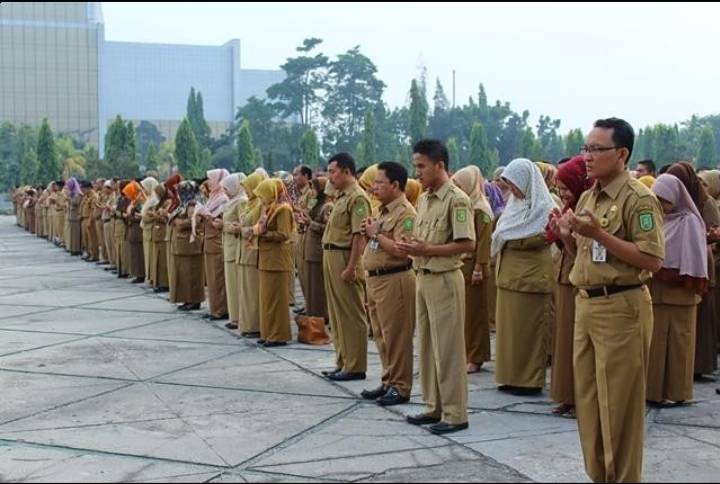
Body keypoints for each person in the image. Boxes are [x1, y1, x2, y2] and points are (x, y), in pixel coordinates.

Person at [552, 117, 664, 483]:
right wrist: (566, 235)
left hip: (621, 307)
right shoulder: (589, 196)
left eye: (596, 149)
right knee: (588, 402)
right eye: (585, 148)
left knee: (619, 406)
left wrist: (600, 234)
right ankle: (599, 475)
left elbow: (652, 260)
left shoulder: (638, 199)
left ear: (621, 154)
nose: (587, 156)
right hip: (587, 303)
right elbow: (584, 256)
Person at [398, 139, 475, 435]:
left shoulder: (457, 199)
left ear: (439, 165)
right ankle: (433, 406)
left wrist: (427, 249)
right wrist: (412, 247)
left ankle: (455, 413)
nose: (417, 172)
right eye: (415, 166)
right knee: (428, 346)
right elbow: (422, 239)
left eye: (421, 166)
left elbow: (466, 243)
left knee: (448, 349)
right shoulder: (424, 199)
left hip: (444, 278)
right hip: (423, 275)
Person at [492, 159, 555, 396]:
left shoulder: (544, 208)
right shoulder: (514, 206)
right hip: (508, 278)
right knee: (509, 334)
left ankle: (528, 380)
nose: (512, 189)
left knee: (529, 333)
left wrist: (513, 239)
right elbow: (501, 233)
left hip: (530, 280)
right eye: (508, 184)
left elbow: (543, 238)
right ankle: (509, 376)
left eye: (514, 183)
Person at [647, 174, 708, 407]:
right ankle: (653, 391)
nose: (662, 205)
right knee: (655, 345)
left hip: (681, 294)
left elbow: (694, 259)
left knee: (679, 345)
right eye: (657, 200)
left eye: (665, 200)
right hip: (656, 293)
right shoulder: (655, 221)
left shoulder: (689, 221)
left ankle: (677, 392)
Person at [360, 161, 417, 406]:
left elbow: (402, 250)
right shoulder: (382, 211)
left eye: (379, 183)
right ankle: (388, 381)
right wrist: (370, 233)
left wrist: (376, 234)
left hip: (395, 279)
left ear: (395, 185)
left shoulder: (406, 213)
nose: (374, 188)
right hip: (376, 280)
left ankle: (400, 386)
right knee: (382, 335)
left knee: (397, 337)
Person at [547, 155, 593, 417]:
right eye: (559, 188)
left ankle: (579, 398)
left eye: (566, 188)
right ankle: (566, 395)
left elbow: (582, 251)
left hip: (579, 280)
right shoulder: (569, 208)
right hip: (564, 277)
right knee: (563, 340)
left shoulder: (585, 209)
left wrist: (566, 235)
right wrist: (559, 233)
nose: (562, 193)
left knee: (578, 343)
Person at [667, 162, 720, 382]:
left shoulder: (705, 203)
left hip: (700, 262)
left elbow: (714, 231)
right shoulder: (672, 201)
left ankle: (700, 364)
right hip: (683, 261)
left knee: (702, 316)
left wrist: (703, 238)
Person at [321, 153, 372, 382]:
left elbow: (359, 236)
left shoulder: (357, 198)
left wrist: (352, 267)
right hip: (332, 255)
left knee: (351, 313)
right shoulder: (341, 196)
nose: (329, 176)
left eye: (333, 172)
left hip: (345, 257)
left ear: (347, 171)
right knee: (337, 314)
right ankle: (343, 361)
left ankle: (355, 365)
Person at [451, 165, 493, 374]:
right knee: (464, 313)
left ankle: (476, 356)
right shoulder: (467, 205)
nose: (457, 189)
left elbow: (484, 243)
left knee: (475, 314)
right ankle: (467, 352)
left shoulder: (481, 210)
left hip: (475, 267)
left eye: (460, 185)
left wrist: (479, 267)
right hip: (463, 265)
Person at [254, 178, 296, 346]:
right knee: (267, 299)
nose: (261, 199)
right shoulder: (271, 209)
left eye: (263, 195)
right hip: (267, 259)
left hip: (277, 260)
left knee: (277, 300)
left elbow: (284, 234)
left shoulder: (283, 209)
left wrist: (264, 234)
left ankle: (278, 335)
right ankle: (268, 333)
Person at [237, 169, 268, 337]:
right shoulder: (249, 204)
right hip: (244, 250)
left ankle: (255, 326)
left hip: (253, 250)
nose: (246, 191)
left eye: (248, 188)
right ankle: (247, 324)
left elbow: (260, 227)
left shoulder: (261, 205)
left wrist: (244, 230)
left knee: (253, 291)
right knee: (246, 291)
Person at [197, 169, 230, 320]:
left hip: (217, 243)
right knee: (211, 279)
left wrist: (206, 215)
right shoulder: (212, 198)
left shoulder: (223, 199)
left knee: (218, 279)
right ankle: (214, 308)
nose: (209, 182)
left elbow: (219, 223)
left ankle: (221, 310)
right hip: (209, 242)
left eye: (211, 179)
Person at [169, 181, 205, 311]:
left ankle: (193, 300)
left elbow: (195, 221)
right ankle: (186, 299)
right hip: (182, 244)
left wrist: (178, 222)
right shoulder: (183, 204)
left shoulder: (193, 204)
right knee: (184, 274)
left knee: (191, 274)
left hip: (189, 245)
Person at [219, 173, 247, 330]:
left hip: (235, 247)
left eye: (227, 188)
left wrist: (223, 226)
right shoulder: (231, 202)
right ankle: (234, 316)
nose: (225, 192)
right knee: (231, 284)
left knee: (236, 284)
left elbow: (241, 225)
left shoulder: (241, 201)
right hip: (229, 245)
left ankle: (239, 317)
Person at [303, 177, 332, 322]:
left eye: (314, 188)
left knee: (318, 287)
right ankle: (313, 315)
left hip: (318, 250)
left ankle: (321, 316)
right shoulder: (316, 205)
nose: (312, 191)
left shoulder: (327, 206)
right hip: (311, 249)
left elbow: (328, 229)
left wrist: (310, 223)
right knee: (312, 287)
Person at [292, 165, 313, 315]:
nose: (294, 178)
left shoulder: (311, 193)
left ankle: (311, 305)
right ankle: (307, 303)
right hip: (300, 234)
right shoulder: (302, 194)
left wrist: (295, 210)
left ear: (305, 176)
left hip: (307, 235)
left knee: (307, 274)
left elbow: (310, 212)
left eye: (296, 175)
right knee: (302, 273)